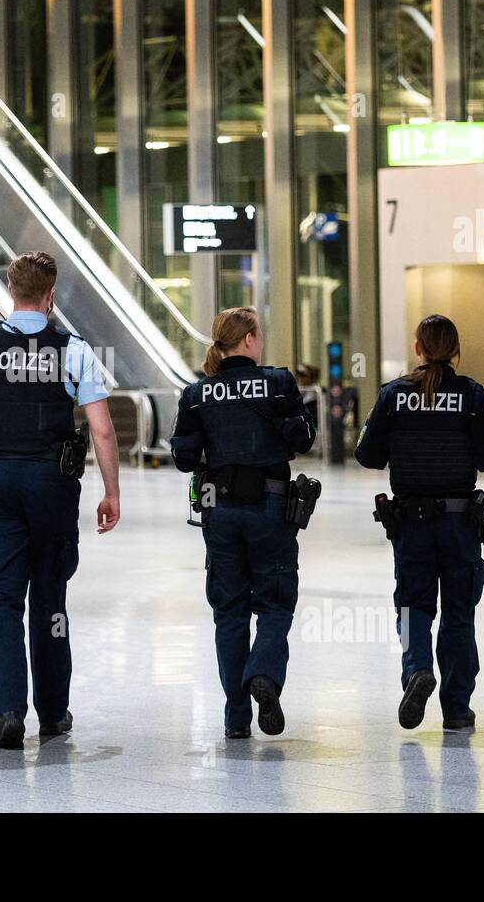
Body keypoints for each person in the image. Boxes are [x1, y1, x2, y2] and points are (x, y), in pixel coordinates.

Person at [0, 251, 121, 750]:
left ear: (9, 289)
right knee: (50, 599)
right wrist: (111, 491)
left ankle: (8, 712)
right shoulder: (74, 349)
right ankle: (53, 711)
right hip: (51, 485)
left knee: (3, 600)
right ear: (50, 295)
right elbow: (103, 431)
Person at [169, 306, 316, 739]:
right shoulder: (277, 384)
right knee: (274, 603)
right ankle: (265, 674)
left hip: (220, 509)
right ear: (249, 340)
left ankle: (236, 719)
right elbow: (303, 439)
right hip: (270, 507)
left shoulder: (197, 394)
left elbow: (182, 457)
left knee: (229, 613)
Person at [354, 314, 484, 732]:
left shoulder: (393, 395)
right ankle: (456, 710)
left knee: (412, 606)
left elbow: (367, 456)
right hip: (460, 523)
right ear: (455, 351)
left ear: (418, 349)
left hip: (411, 523)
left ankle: (417, 669)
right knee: (459, 612)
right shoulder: (471, 395)